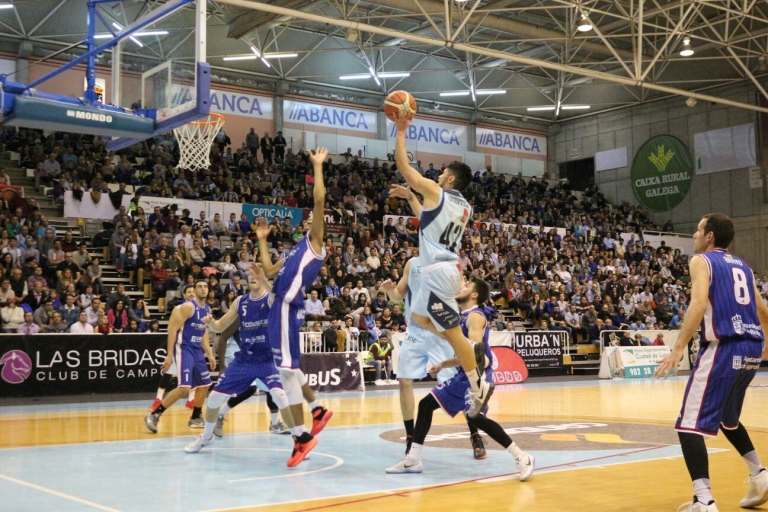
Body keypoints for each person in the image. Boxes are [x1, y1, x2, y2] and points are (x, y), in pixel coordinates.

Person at [655, 213, 768, 512]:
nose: (694, 234)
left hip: (723, 347)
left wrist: (678, 347)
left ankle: (703, 501)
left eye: (698, 230)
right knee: (726, 418)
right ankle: (759, 474)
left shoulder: (701, 261)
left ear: (710, 236)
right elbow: (761, 308)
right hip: (751, 347)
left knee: (688, 425)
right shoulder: (743, 266)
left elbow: (699, 303)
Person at [386, 276, 534, 479]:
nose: (460, 288)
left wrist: (446, 332)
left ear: (474, 295)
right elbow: (463, 352)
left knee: (474, 417)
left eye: (465, 286)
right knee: (430, 406)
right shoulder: (463, 316)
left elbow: (473, 348)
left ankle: (522, 456)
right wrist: (443, 362)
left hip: (477, 375)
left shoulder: (475, 316)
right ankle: (413, 459)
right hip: (464, 373)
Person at [393, 114, 490, 417]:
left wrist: (400, 132)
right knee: (420, 320)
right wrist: (410, 198)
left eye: (442, 173)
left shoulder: (438, 192)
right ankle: (469, 366)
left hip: (439, 273)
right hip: (443, 269)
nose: (437, 175)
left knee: (453, 334)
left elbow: (405, 168)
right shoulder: (463, 205)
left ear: (449, 179)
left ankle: (478, 383)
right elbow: (428, 221)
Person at [256, 147, 333, 462]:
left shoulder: (315, 244)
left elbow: (319, 201)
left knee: (286, 374)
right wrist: (262, 238)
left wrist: (317, 166)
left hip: (288, 309)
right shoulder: (294, 251)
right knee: (288, 368)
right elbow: (268, 271)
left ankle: (301, 438)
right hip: (277, 309)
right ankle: (317, 410)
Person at [186, 263, 296, 458]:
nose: (252, 277)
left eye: (257, 274)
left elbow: (282, 298)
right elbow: (220, 327)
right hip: (244, 360)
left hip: (267, 359)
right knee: (213, 399)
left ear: (263, 278)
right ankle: (206, 436)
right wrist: (212, 324)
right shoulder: (240, 302)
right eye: (250, 275)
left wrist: (264, 279)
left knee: (280, 396)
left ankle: (299, 441)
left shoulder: (270, 299)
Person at [144, 280, 216, 433]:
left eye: (205, 287)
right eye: (199, 287)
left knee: (205, 385)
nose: (203, 289)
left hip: (197, 350)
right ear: (194, 291)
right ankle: (155, 414)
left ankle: (196, 417)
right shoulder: (189, 307)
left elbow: (203, 331)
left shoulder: (207, 309)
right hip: (184, 348)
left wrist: (209, 353)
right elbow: (172, 328)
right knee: (184, 388)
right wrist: (169, 355)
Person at [148, 285, 195, 412]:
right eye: (189, 292)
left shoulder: (199, 309)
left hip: (193, 346)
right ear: (184, 295)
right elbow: (171, 328)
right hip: (179, 345)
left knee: (195, 373)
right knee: (169, 372)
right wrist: (170, 350)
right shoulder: (178, 309)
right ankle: (158, 399)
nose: (191, 294)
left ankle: (191, 400)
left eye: (193, 292)